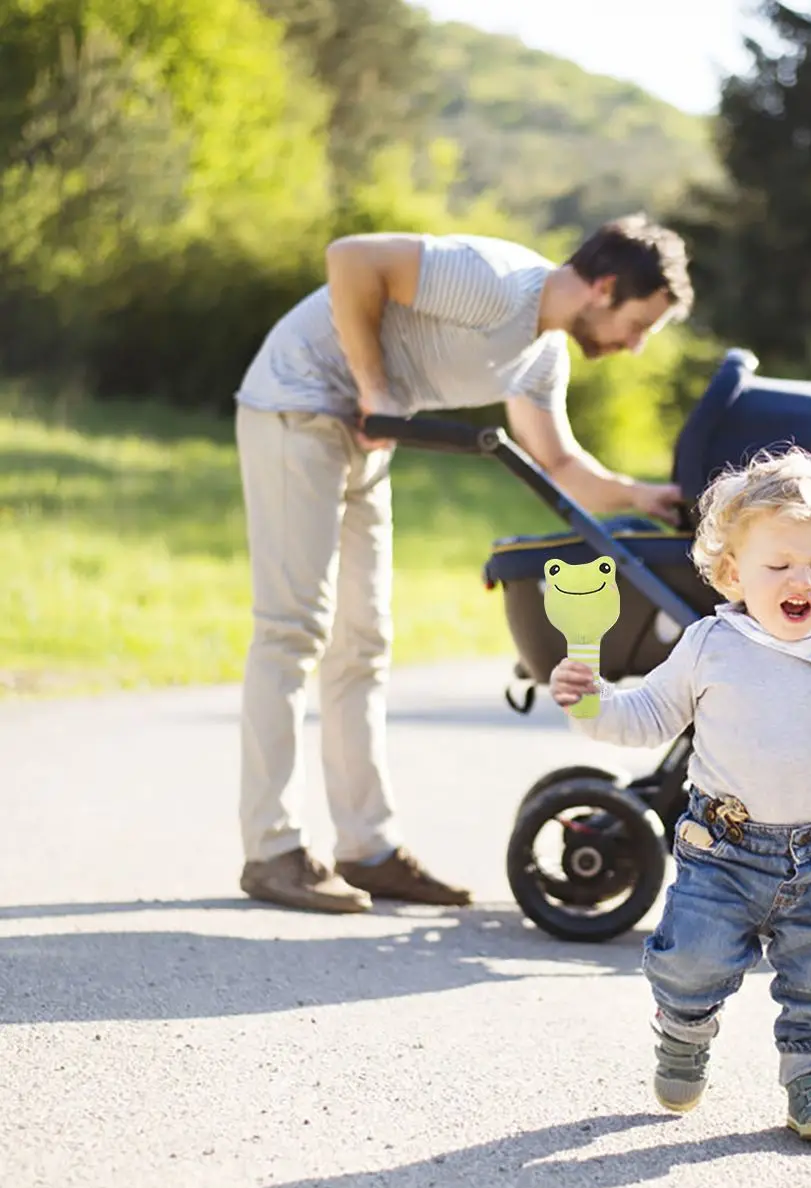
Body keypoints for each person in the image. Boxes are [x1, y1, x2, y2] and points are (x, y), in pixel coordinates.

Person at [234, 213, 693, 914]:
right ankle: (272, 852)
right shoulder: (499, 283)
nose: (634, 346)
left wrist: (643, 496)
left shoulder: (541, 355)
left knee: (364, 641)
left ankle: (368, 850)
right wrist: (376, 388)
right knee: (292, 630)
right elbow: (352, 258)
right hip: (297, 405)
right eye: (639, 325)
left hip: (363, 436)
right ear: (604, 288)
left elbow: (560, 463)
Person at [548, 447, 811, 1143]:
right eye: (779, 566)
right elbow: (646, 717)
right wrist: (592, 704)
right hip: (724, 851)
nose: (801, 580)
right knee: (692, 962)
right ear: (733, 572)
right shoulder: (710, 645)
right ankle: (684, 1029)